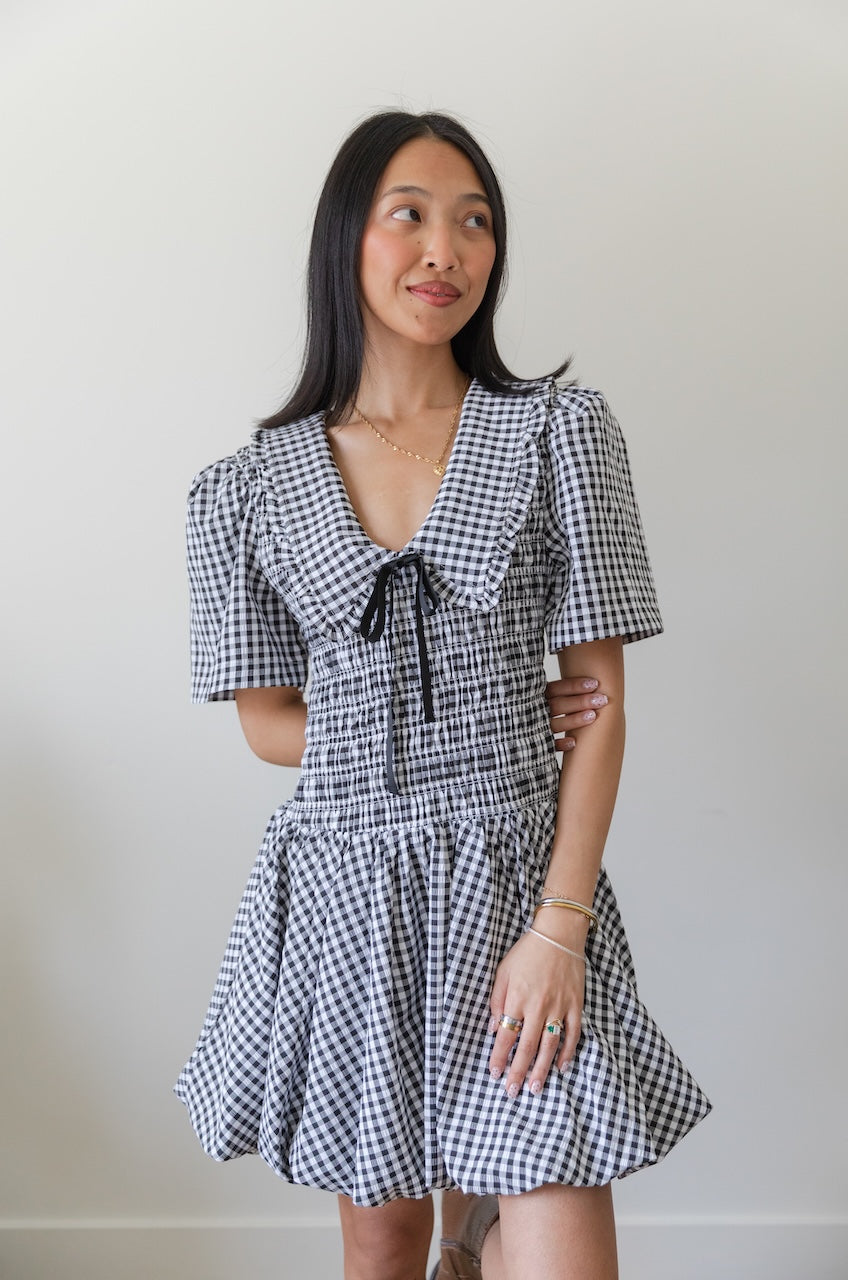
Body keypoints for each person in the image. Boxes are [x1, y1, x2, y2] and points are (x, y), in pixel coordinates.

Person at [175, 110, 710, 1280]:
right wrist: (441, 720)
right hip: (347, 895)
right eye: (407, 215)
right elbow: (267, 720)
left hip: (521, 882)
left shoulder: (557, 434)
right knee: (383, 1248)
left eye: (474, 222)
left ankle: (482, 1226)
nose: (445, 250)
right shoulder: (244, 489)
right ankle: (457, 1236)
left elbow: (598, 699)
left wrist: (557, 928)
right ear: (344, 242)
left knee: (562, 1225)